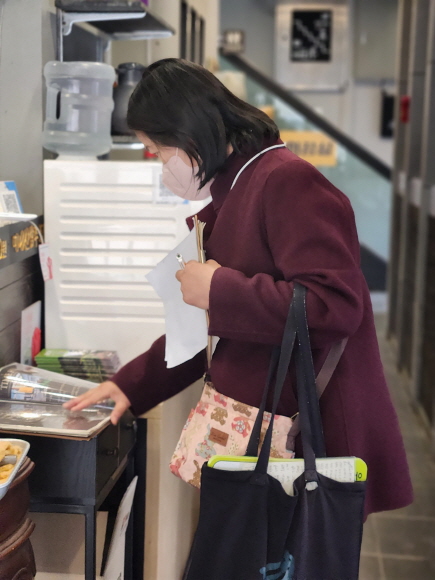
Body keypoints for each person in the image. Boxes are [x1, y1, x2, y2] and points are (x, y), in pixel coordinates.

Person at [64, 58, 413, 519]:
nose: (161, 165)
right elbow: (209, 331)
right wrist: (131, 384)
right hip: (267, 434)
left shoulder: (286, 180)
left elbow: (336, 304)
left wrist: (218, 290)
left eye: (157, 150)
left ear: (188, 134)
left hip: (305, 440)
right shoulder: (237, 189)